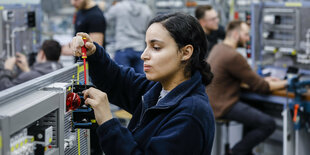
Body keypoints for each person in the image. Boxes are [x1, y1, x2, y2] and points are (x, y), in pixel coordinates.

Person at [71, 13, 215, 154]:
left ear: (185, 52)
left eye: (156, 47)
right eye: (146, 46)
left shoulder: (190, 114)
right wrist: (93, 53)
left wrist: (108, 123)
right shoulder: (159, 91)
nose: (143, 55)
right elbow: (118, 81)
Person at [206, 20, 287, 155]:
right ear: (236, 34)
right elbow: (262, 87)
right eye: (246, 34)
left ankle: (245, 151)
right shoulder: (233, 56)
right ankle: (236, 152)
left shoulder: (218, 48)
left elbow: (247, 78)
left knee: (256, 107)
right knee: (268, 123)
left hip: (212, 103)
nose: (248, 38)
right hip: (223, 106)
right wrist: (287, 83)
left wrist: (263, 79)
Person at [105, 0, 152, 73]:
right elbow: (149, 28)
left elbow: (106, 19)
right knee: (141, 80)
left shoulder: (119, 7)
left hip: (122, 48)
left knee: (122, 80)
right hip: (140, 49)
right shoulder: (146, 9)